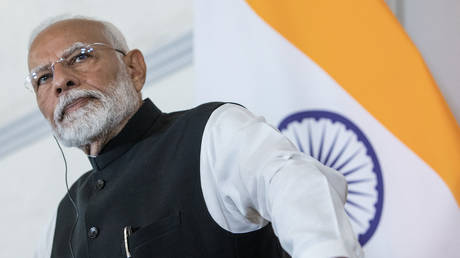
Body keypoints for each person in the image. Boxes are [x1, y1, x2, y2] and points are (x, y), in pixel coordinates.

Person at [28, 16, 364, 258]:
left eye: (80, 56)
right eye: (43, 77)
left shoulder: (213, 134)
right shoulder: (60, 221)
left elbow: (303, 191)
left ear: (134, 69)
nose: (60, 81)